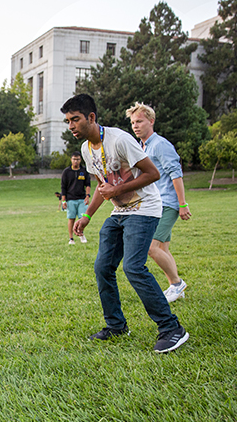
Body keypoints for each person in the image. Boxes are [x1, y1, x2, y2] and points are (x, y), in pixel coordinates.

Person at [62, 94, 188, 354]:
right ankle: (116, 325)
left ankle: (171, 328)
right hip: (120, 212)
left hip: (145, 209)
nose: (72, 126)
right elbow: (101, 187)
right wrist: (86, 217)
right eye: (68, 121)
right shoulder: (87, 149)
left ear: (91, 118)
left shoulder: (120, 139)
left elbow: (153, 174)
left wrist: (117, 187)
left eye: (75, 119)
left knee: (133, 267)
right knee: (103, 267)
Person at [126, 102, 191, 302]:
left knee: (151, 247)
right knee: (162, 248)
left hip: (168, 204)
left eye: (140, 121)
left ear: (151, 121)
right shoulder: (142, 146)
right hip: (154, 204)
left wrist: (182, 204)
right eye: (133, 123)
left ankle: (177, 284)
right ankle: (175, 287)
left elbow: (176, 174)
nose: (135, 126)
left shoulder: (160, 144)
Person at [61, 151, 92, 245]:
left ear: (80, 160)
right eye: (74, 159)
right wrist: (63, 201)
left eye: (78, 159)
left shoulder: (84, 171)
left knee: (83, 218)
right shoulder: (66, 172)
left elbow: (88, 185)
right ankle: (71, 238)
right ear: (71, 159)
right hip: (70, 199)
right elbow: (63, 187)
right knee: (71, 218)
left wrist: (87, 196)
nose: (76, 161)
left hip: (81, 198)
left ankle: (81, 234)